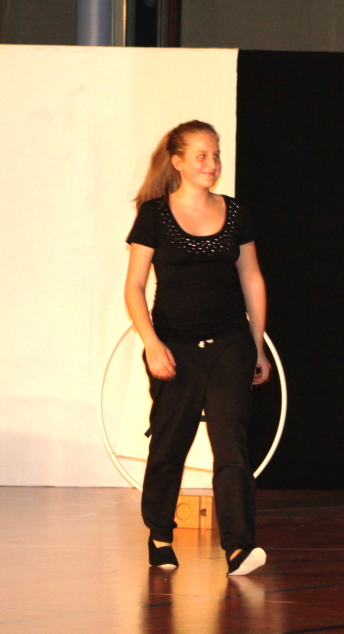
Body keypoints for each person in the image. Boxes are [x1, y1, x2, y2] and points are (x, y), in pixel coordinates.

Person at [124, 120, 272, 577]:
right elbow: (134, 286)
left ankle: (238, 547)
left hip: (230, 344)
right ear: (178, 162)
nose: (212, 163)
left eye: (216, 154)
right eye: (202, 155)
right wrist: (152, 343)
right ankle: (160, 535)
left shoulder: (235, 212)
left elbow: (251, 278)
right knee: (170, 443)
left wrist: (257, 345)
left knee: (232, 445)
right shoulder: (154, 215)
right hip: (175, 347)